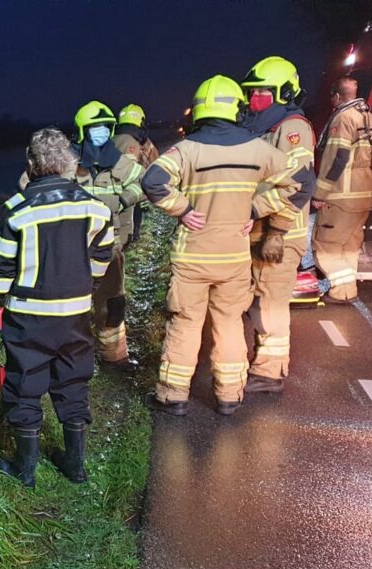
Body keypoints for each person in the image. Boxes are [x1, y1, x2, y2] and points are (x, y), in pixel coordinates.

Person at [142, 75, 312, 416]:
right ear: (236, 108)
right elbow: (302, 181)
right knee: (230, 322)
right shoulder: (258, 150)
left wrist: (184, 210)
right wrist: (256, 209)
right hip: (234, 257)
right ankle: (230, 395)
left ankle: (173, 395)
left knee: (186, 322)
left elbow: (153, 180)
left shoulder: (187, 149)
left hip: (192, 257)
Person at [0, 128, 114, 487]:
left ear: (31, 164)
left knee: (25, 384)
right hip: (75, 315)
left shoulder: (17, 210)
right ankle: (75, 465)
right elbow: (103, 254)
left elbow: (1, 266)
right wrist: (90, 286)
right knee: (73, 381)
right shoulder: (93, 206)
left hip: (30, 316)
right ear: (70, 163)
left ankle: (25, 470)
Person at [240, 56, 317, 394]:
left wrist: (278, 230)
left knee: (270, 302)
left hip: (279, 234)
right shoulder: (263, 127)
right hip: (259, 230)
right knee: (258, 299)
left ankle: (270, 373)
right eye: (252, 91)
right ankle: (261, 362)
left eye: (262, 91)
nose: (255, 96)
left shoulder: (293, 128)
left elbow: (301, 185)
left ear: (284, 92)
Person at [72, 101, 146, 370]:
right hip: (74, 247)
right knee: (72, 303)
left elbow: (146, 183)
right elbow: (30, 183)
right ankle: (74, 355)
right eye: (95, 128)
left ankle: (114, 356)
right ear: (82, 131)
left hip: (111, 245)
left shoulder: (123, 163)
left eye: (106, 127)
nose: (101, 132)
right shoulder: (67, 163)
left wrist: (124, 200)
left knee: (113, 302)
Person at [312, 76, 372, 304]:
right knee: (349, 244)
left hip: (341, 196)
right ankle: (347, 289)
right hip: (363, 195)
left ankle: (341, 289)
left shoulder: (343, 118)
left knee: (325, 244)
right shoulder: (366, 116)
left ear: (337, 96)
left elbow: (336, 158)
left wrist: (320, 193)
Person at [113, 104, 160, 245]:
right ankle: (133, 238)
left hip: (112, 192)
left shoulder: (111, 139)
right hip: (133, 192)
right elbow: (156, 164)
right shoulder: (141, 142)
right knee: (131, 224)